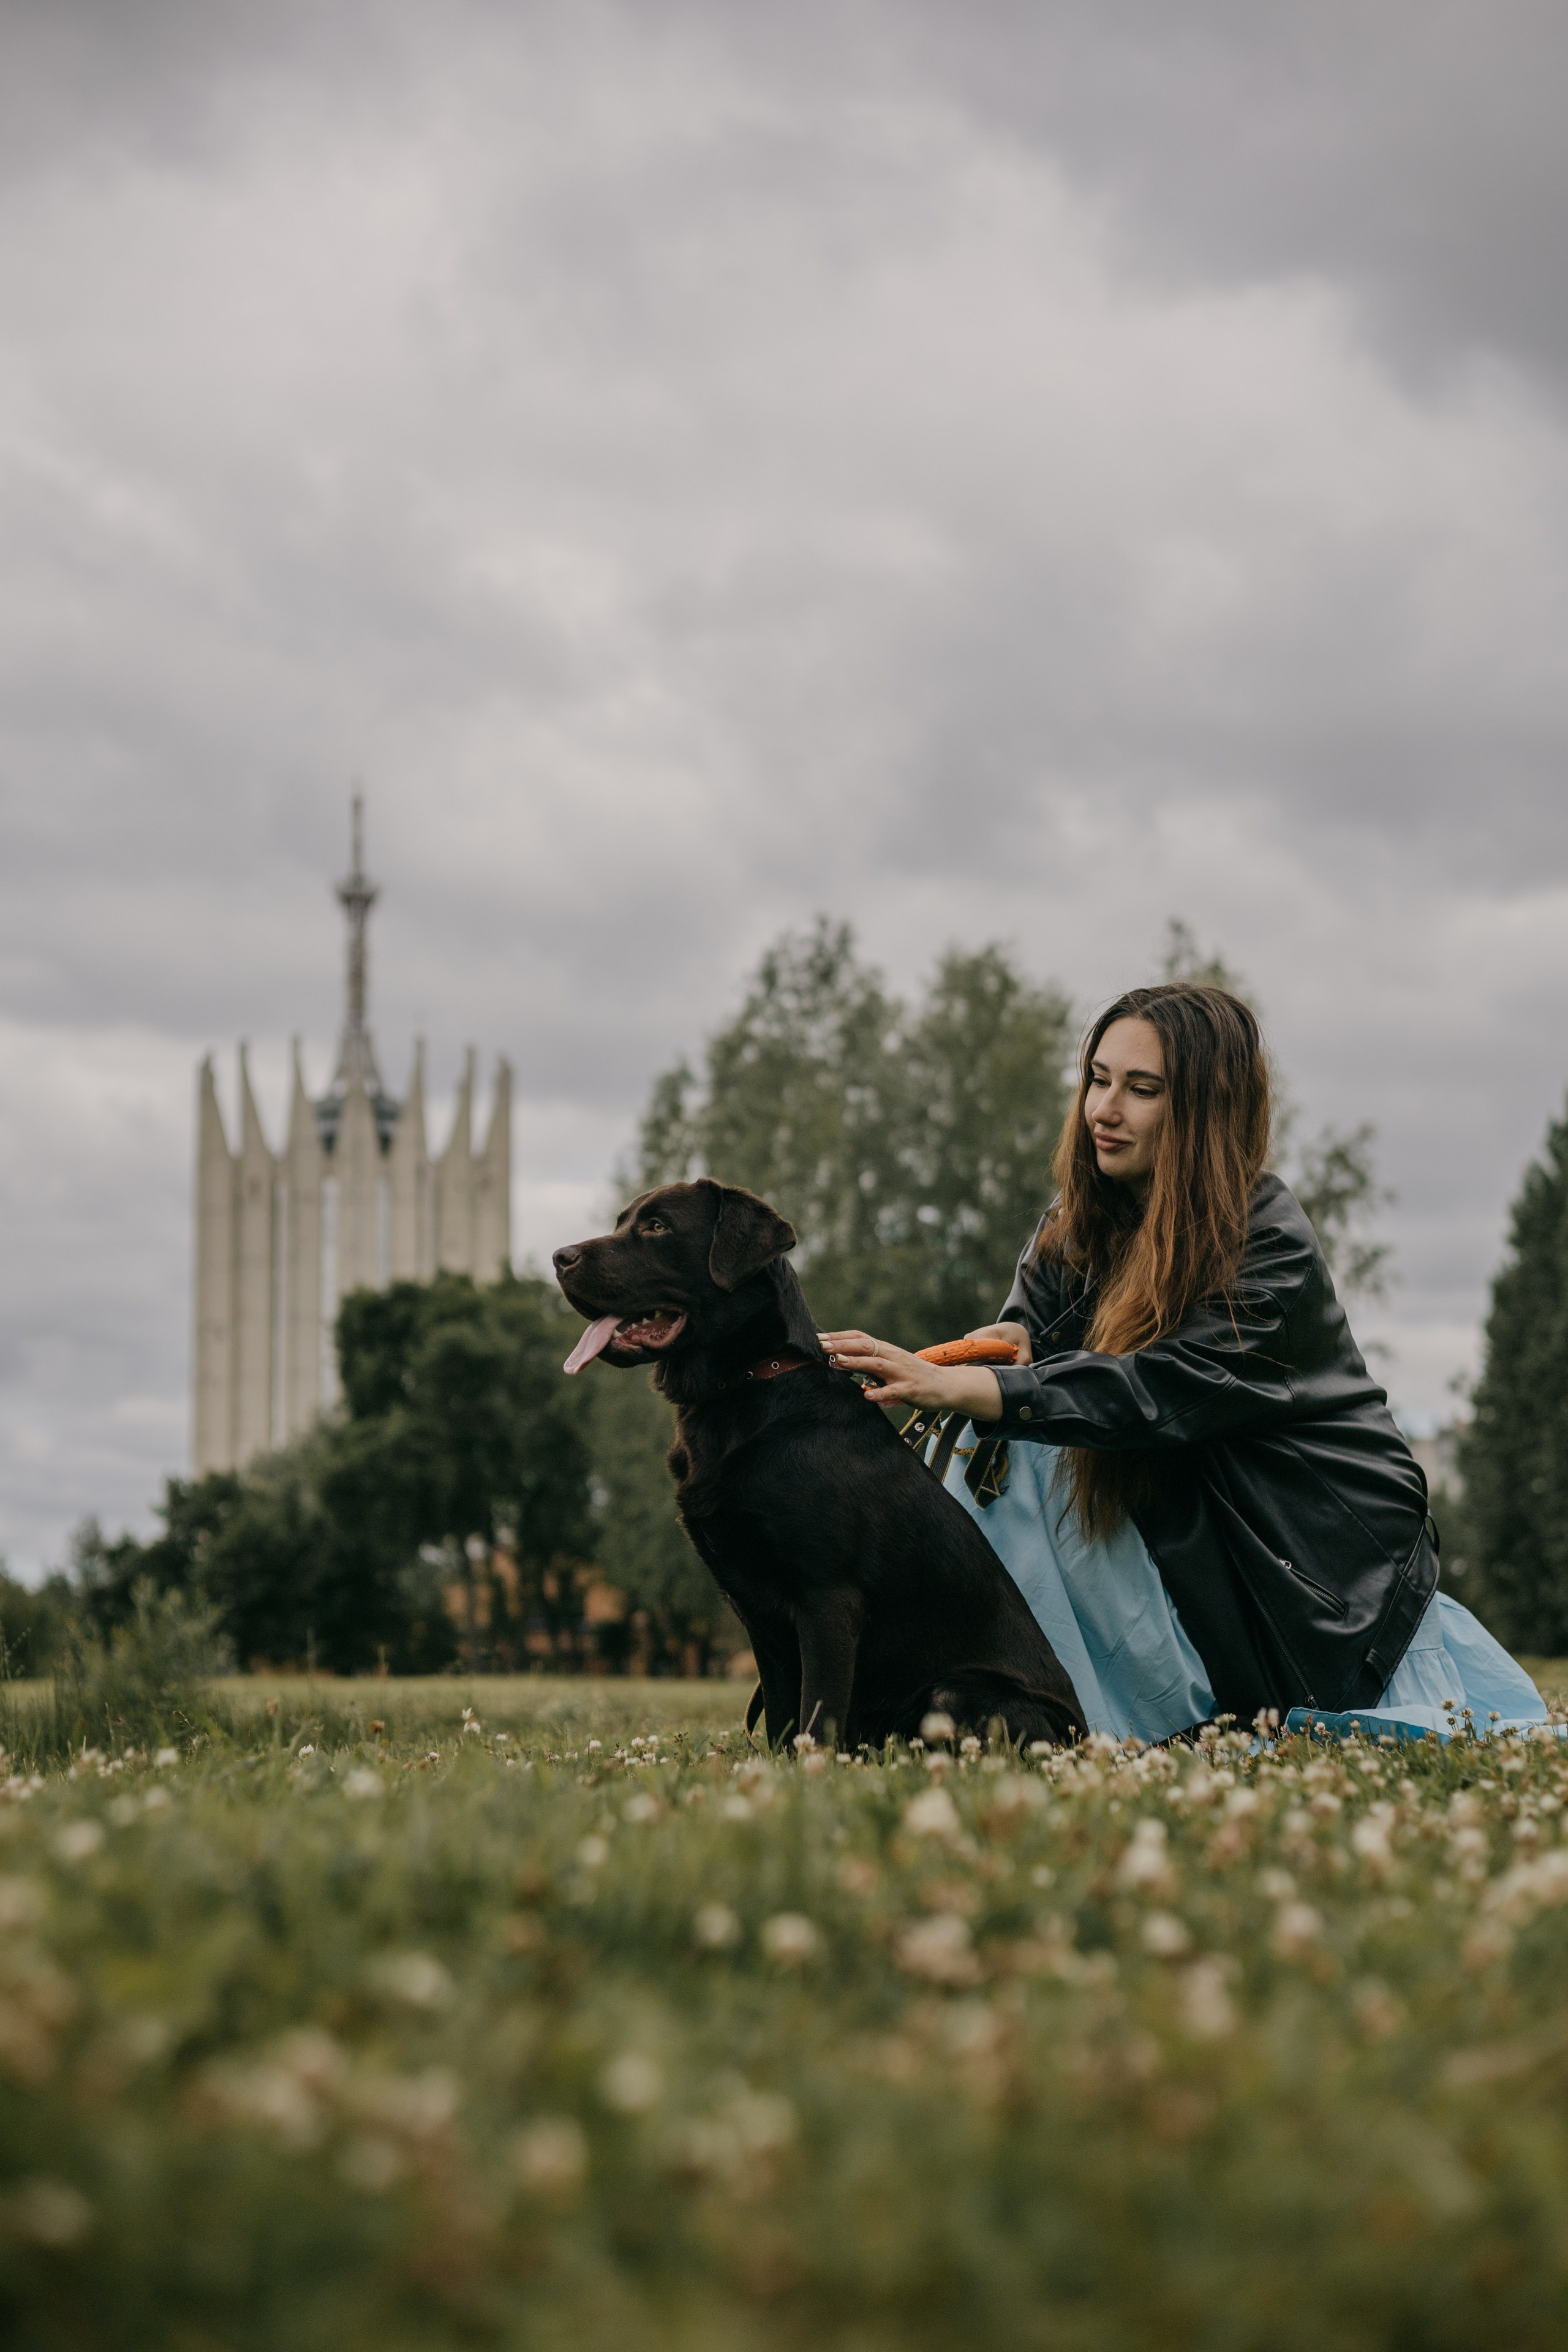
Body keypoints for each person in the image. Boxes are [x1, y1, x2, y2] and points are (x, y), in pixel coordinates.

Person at [822, 982, 1553, 1746]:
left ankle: (1054, 1707)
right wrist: (996, 1344)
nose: (1103, 1110)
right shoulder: (1072, 1225)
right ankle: (967, 1699)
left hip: (1303, 1577)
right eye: (1098, 1080)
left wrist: (977, 1385)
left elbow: (1156, 1391)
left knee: (1006, 1413)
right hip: (1164, 1533)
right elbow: (1029, 1329)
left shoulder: (1267, 1242)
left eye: (1141, 1090)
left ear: (1205, 1110)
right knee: (989, 1438)